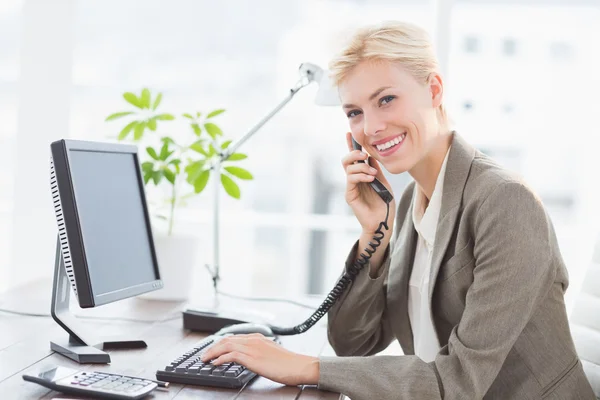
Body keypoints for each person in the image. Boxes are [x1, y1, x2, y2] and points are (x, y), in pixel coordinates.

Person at [201, 20, 596, 399]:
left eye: (386, 99)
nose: (371, 127)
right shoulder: (410, 203)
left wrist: (304, 366)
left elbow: (457, 383)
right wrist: (374, 234)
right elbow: (354, 341)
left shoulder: (505, 202)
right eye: (354, 112)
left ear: (435, 89)